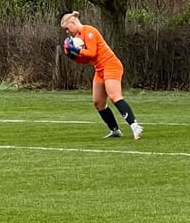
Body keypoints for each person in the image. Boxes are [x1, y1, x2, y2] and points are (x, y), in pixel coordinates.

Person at [60, 10, 143, 140]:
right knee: (98, 102)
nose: (67, 31)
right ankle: (115, 130)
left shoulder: (89, 31)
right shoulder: (79, 38)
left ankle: (135, 126)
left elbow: (92, 53)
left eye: (67, 28)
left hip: (111, 65)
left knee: (114, 96)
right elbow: (86, 60)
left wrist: (76, 49)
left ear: (73, 22)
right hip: (100, 69)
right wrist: (72, 56)